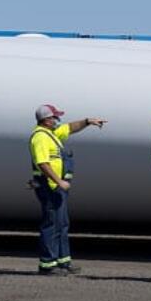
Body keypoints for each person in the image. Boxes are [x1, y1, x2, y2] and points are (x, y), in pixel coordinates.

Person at [29, 103, 107, 275]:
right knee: (51, 224)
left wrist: (87, 121)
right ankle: (47, 264)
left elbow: (70, 127)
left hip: (57, 187)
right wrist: (59, 180)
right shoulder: (40, 137)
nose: (57, 119)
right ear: (46, 120)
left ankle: (63, 260)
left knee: (62, 224)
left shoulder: (51, 134)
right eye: (54, 117)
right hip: (49, 186)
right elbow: (42, 163)